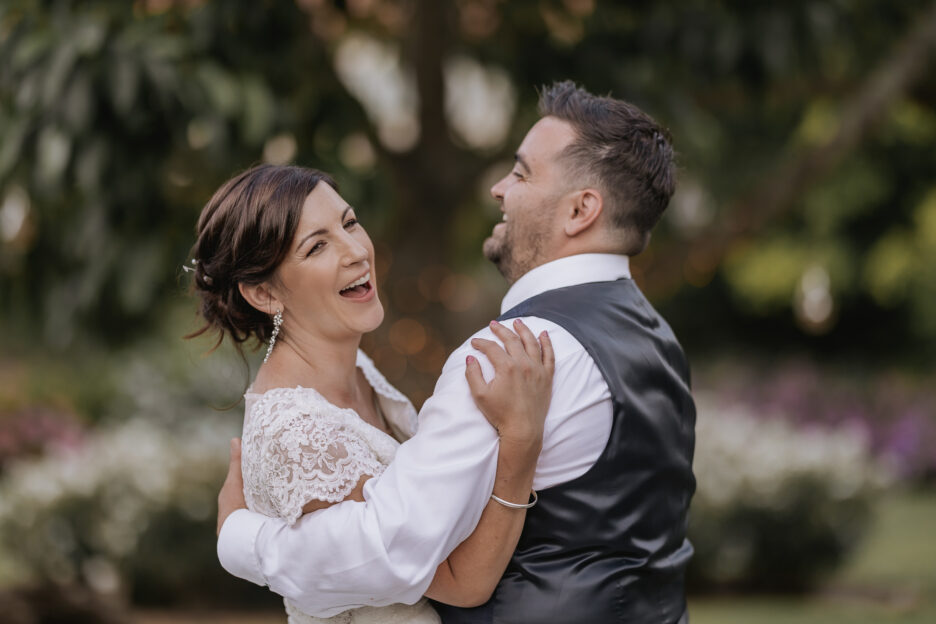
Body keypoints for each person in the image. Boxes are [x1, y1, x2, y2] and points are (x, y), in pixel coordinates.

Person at [217, 81, 697, 623]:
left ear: (581, 209)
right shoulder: (655, 336)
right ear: (262, 291)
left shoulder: (508, 358)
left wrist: (240, 538)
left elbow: (392, 548)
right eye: (317, 243)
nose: (498, 188)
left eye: (520, 173)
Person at [189, 164, 556, 624]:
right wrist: (521, 440)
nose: (356, 251)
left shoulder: (359, 369)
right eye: (317, 246)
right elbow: (464, 580)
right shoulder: (300, 437)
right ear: (263, 293)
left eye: (349, 223)